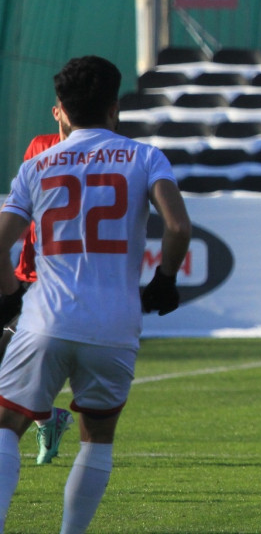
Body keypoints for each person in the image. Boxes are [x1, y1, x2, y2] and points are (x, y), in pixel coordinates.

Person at [0, 55, 192, 532]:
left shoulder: (37, 165)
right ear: (114, 108)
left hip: (46, 319)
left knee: (6, 426)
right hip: (114, 324)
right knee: (97, 438)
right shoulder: (146, 157)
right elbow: (177, 226)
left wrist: (8, 297)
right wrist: (164, 280)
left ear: (60, 109)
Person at [0, 111, 74, 467]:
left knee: (18, 361)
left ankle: (41, 419)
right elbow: (23, 205)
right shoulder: (39, 147)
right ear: (57, 110)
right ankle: (47, 417)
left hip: (57, 284)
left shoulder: (101, 155)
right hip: (27, 273)